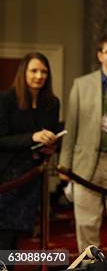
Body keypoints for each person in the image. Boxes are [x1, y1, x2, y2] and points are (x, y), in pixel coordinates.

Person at [58, 33, 107, 265]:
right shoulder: (81, 85)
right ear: (100, 55)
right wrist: (65, 165)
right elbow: (70, 128)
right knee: (86, 227)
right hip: (85, 165)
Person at [0, 53, 60, 250]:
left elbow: (51, 136)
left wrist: (51, 145)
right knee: (5, 234)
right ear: (23, 73)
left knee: (20, 235)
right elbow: (2, 140)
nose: (39, 75)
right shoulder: (6, 99)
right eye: (34, 70)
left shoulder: (52, 103)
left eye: (43, 71)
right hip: (8, 175)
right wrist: (32, 137)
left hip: (33, 175)